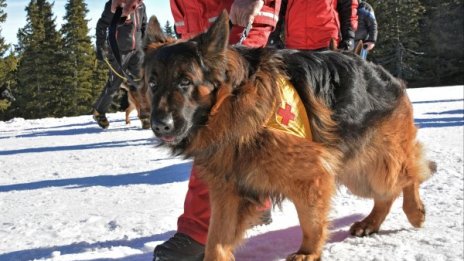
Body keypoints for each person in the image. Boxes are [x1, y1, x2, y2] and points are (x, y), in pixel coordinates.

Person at [153, 1, 358, 261]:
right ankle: (255, 201)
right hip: (195, 19)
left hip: (238, 15)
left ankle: (201, 230)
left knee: (231, 129)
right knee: (213, 127)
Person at [92, 0, 147, 129]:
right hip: (117, 51)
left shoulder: (141, 6)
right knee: (114, 84)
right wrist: (100, 46)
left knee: (142, 82)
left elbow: (144, 25)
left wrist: (145, 44)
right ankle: (99, 112)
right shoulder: (113, 4)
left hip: (136, 51)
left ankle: (144, 116)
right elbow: (102, 25)